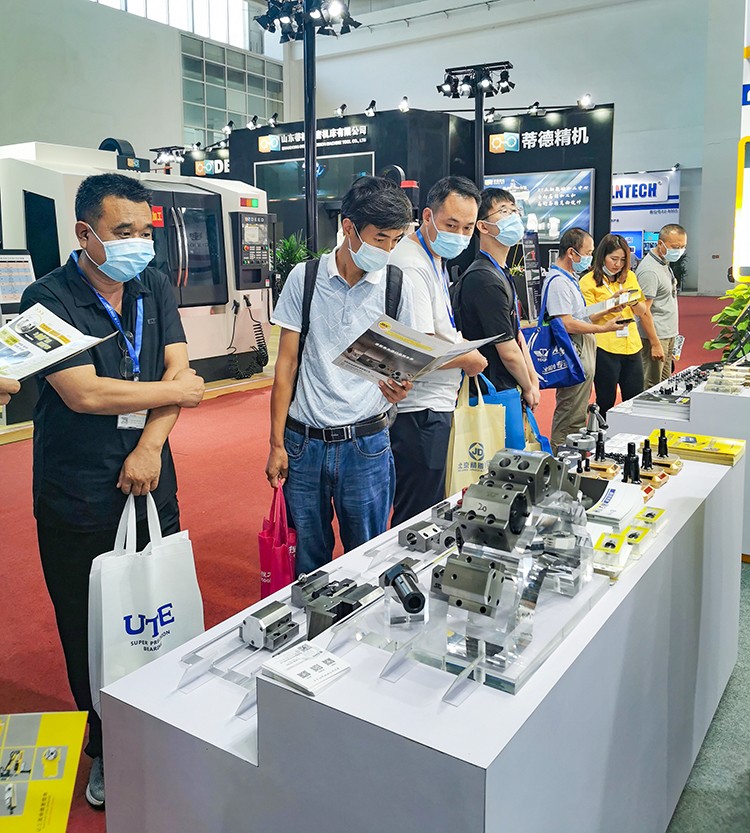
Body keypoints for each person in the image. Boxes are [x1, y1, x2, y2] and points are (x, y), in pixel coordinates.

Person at [19, 173, 205, 808]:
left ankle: (163, 724)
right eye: (122, 232)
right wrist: (174, 393)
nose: (137, 245)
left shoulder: (153, 282)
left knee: (159, 607)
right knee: (90, 626)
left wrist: (151, 445)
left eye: (144, 232)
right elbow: (84, 393)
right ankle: (107, 746)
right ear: (85, 233)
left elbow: (179, 365)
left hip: (151, 479)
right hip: (77, 490)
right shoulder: (48, 296)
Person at [265, 176, 415, 574]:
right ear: (349, 227)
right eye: (380, 238)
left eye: (396, 240)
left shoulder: (396, 284)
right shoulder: (305, 278)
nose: (387, 250)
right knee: (308, 562)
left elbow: (404, 362)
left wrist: (402, 386)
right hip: (304, 444)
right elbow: (286, 365)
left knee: (368, 558)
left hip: (367, 444)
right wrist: (276, 443)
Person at [387, 176, 487, 526]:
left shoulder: (433, 257)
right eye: (451, 225)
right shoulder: (412, 264)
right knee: (418, 512)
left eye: (467, 227)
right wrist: (467, 357)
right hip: (420, 410)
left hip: (432, 404)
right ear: (427, 216)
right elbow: (421, 348)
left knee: (430, 502)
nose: (459, 235)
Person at [451, 187, 540, 450]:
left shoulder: (500, 272)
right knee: (501, 465)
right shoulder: (484, 278)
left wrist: (531, 379)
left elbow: (516, 334)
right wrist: (529, 387)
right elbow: (508, 350)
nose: (513, 217)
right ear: (483, 226)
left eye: (515, 211)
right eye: (503, 211)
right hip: (491, 391)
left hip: (505, 388)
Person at [545, 227, 623, 450]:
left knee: (578, 412)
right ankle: (561, 455)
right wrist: (602, 329)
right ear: (572, 252)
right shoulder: (558, 282)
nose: (590, 258)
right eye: (588, 253)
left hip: (582, 350)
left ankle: (570, 455)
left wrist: (609, 306)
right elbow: (566, 323)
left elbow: (581, 315)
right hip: (573, 352)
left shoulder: (569, 278)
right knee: (569, 414)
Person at [579, 234, 662, 417]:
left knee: (634, 397)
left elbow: (641, 310)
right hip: (605, 346)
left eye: (623, 260)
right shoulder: (588, 281)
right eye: (614, 259)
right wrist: (611, 303)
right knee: (606, 399)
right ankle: (603, 432)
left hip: (631, 345)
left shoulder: (629, 276)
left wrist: (632, 301)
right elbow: (588, 315)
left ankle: (630, 432)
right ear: (602, 256)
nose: (618, 264)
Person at [636, 224, 687, 388]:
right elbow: (644, 311)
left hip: (668, 334)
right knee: (651, 383)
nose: (679, 251)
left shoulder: (663, 263)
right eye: (675, 247)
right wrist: (655, 343)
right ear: (660, 244)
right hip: (656, 336)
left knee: (664, 383)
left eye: (683, 247)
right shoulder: (649, 271)